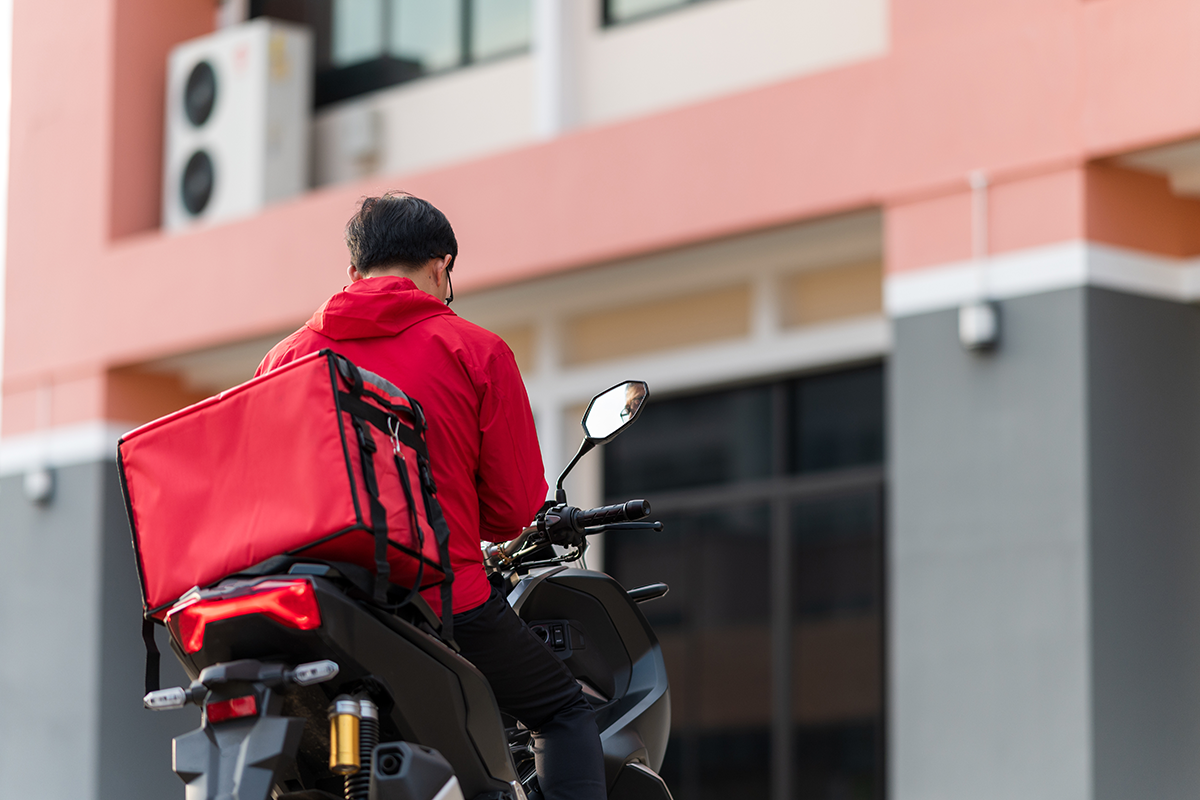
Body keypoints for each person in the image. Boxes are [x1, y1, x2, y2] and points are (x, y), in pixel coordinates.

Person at [256, 192, 606, 800]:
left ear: (353, 273)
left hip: (313, 603)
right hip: (441, 599)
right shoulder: (476, 351)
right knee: (565, 714)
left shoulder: (283, 361)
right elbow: (511, 510)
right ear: (442, 267)